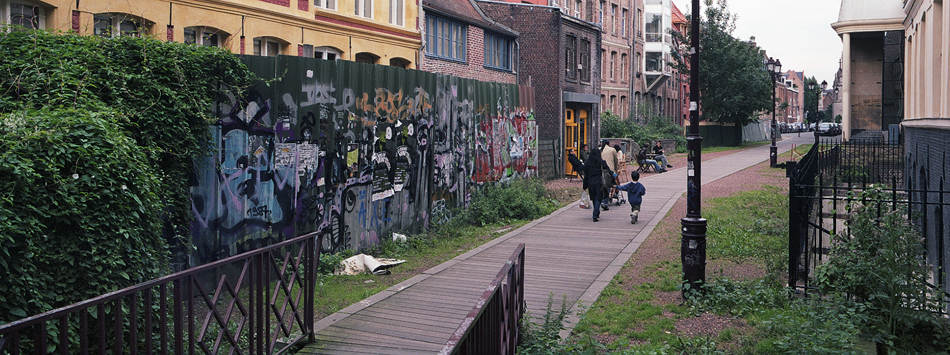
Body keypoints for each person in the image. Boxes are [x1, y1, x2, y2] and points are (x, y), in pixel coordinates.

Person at [583, 147, 613, 221]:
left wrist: (584, 185)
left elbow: (586, 175)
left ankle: (596, 211)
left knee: (593, 198)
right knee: (598, 198)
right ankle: (595, 214)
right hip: (599, 182)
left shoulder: (587, 163)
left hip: (590, 182)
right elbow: (608, 171)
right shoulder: (601, 162)